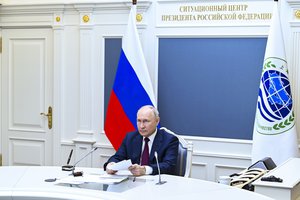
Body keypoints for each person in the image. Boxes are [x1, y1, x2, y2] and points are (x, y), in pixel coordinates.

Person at [104, 105, 179, 176]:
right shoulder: (130, 138)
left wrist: (145, 170)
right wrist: (111, 165)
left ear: (157, 121)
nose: (141, 126)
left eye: (146, 121)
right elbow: (118, 157)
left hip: (157, 184)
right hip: (133, 183)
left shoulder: (169, 140)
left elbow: (169, 166)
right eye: (139, 121)